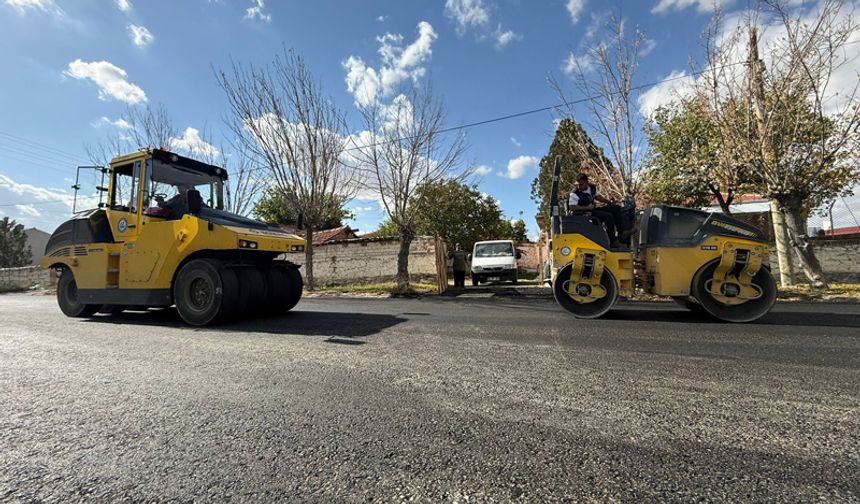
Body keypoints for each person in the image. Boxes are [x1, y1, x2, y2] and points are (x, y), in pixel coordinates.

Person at [567, 173, 631, 248]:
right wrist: (587, 208)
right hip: (583, 213)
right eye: (577, 185)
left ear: (586, 182)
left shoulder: (592, 188)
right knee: (608, 216)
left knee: (615, 208)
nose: (579, 187)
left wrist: (609, 202)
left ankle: (621, 233)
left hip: (592, 210)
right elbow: (572, 207)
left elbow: (598, 197)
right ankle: (613, 242)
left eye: (581, 184)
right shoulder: (574, 193)